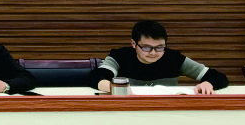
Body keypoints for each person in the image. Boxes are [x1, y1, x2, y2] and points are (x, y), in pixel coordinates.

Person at [92, 19, 228, 94]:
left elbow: (218, 76)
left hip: (167, 109)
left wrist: (208, 83)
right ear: (134, 44)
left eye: (160, 47)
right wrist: (115, 89)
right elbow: (97, 76)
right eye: (146, 47)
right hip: (128, 108)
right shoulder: (120, 56)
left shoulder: (174, 58)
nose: (153, 53)